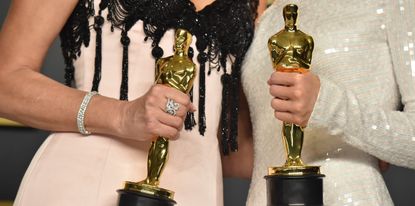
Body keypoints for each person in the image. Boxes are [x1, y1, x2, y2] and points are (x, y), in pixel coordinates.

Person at [0, 0, 266, 205]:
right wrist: (122, 115)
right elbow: (5, 81)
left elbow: (233, 150)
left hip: (198, 192)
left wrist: (305, 118)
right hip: (89, 184)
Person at [242, 0, 415, 205]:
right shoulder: (265, 10)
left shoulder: (394, 3)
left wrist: (327, 105)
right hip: (264, 196)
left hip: (348, 196)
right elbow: (257, 147)